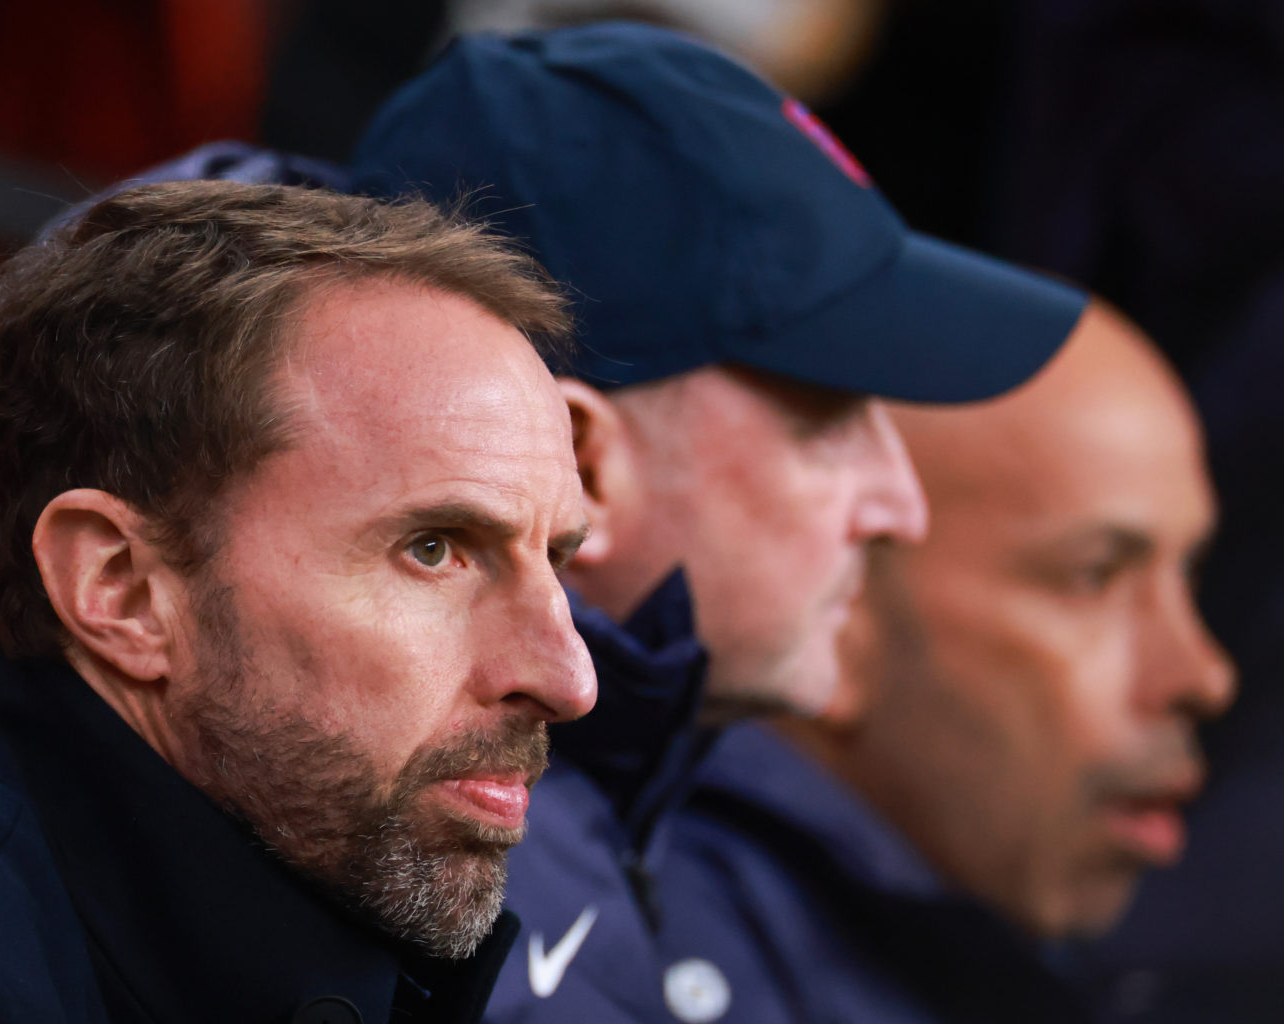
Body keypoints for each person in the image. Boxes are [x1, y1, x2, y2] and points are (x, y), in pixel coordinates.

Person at [350, 22, 1088, 1023]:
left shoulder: (583, 810)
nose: (900, 506)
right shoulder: (453, 889)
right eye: (828, 422)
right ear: (582, 463)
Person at [0, 181, 599, 1024]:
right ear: (120, 588)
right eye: (434, 550)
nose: (569, 678)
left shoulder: (323, 932)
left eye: (556, 560)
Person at [658, 301, 1235, 1022]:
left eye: (1191, 577)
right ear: (839, 604)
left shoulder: (954, 941)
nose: (1205, 676)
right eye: (1095, 576)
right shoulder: (646, 950)